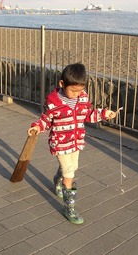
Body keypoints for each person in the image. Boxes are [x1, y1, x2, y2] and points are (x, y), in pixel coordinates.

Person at [27, 63, 117, 224]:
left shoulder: (82, 98)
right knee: (69, 172)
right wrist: (36, 127)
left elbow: (88, 114)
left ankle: (57, 179)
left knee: (72, 167)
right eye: (73, 91)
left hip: (76, 141)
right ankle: (69, 208)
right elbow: (46, 119)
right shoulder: (54, 102)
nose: (77, 94)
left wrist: (104, 113)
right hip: (60, 143)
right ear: (62, 84)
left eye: (80, 90)